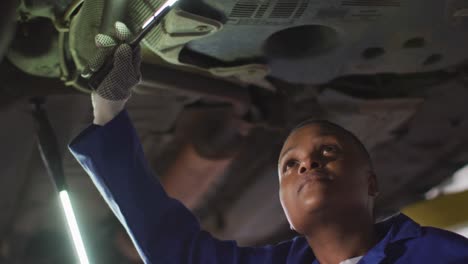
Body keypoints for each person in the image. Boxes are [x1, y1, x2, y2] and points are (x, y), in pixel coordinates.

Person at [69, 23, 468, 264]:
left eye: (327, 151)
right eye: (289, 165)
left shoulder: (437, 254)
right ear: (285, 208)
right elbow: (174, 249)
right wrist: (109, 110)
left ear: (371, 182)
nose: (306, 165)